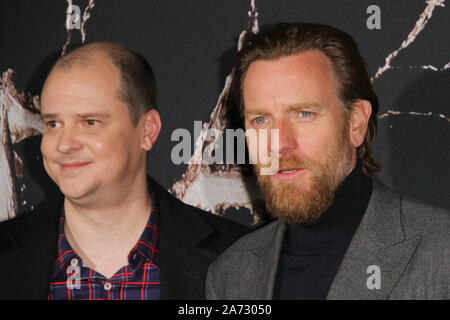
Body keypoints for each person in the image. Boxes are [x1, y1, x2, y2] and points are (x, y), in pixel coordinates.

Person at [206, 22, 449, 300]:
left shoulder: (442, 253)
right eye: (260, 120)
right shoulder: (230, 274)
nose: (279, 143)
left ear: (356, 123)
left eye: (304, 114)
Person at [0, 42, 248, 300]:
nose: (64, 144)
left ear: (147, 130)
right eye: (53, 123)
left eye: (90, 122)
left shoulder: (239, 259)